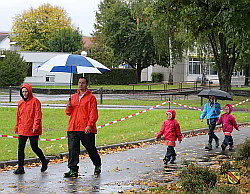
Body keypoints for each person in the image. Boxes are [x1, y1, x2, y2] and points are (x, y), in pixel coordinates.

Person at [64, 77, 101, 178]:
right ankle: (72, 169)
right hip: (73, 127)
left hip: (85, 128)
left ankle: (97, 164)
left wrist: (90, 125)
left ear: (87, 85)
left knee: (90, 148)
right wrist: (68, 106)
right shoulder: (73, 97)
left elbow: (93, 113)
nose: (81, 85)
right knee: (72, 149)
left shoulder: (91, 98)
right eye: (79, 83)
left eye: (83, 83)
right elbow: (68, 113)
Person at [14, 84, 49, 174]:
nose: (25, 93)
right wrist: (17, 126)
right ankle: (20, 167)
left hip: (33, 129)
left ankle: (44, 161)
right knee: (20, 148)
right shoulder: (20, 103)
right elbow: (18, 116)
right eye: (23, 92)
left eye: (26, 91)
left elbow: (38, 115)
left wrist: (35, 126)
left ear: (29, 91)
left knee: (34, 147)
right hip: (22, 128)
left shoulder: (35, 101)